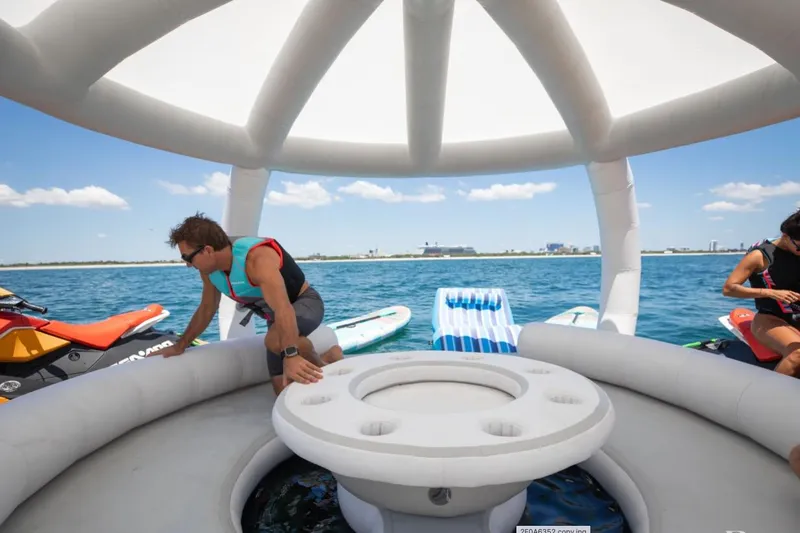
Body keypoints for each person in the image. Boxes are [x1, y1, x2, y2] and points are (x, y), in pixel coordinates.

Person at [151, 212, 343, 395]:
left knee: (275, 341)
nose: (187, 264)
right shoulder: (209, 271)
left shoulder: (256, 259)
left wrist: (291, 355)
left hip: (303, 302)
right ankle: (328, 358)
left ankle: (320, 364)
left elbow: (283, 308)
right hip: (276, 319)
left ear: (207, 250)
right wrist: (181, 345)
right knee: (281, 391)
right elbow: (207, 309)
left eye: (187, 257)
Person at [722, 209, 800, 378]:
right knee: (798, 353)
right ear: (785, 236)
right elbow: (729, 288)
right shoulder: (760, 255)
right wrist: (771, 293)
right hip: (770, 319)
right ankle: (770, 393)